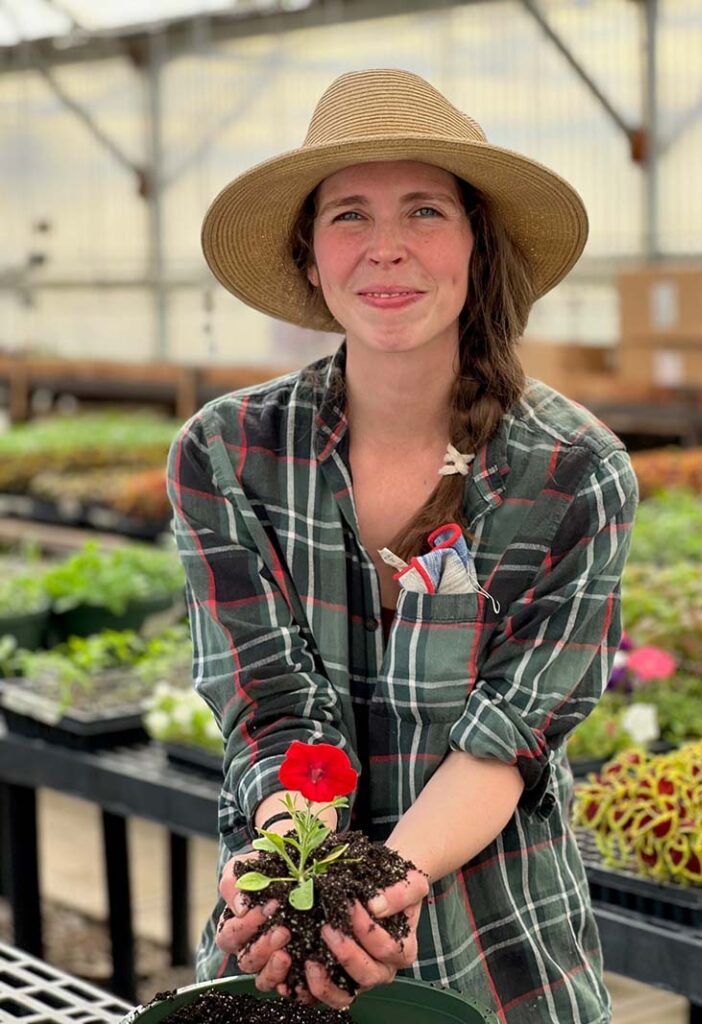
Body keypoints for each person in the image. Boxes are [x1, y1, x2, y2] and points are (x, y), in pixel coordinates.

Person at [167, 68, 638, 1024]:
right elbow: (274, 703)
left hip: (502, 941)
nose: (386, 249)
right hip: (287, 948)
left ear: (476, 244)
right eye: (349, 216)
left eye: (425, 211)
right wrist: (304, 878)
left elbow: (507, 744)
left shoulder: (572, 472)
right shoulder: (228, 453)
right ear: (309, 254)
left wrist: (383, 887)